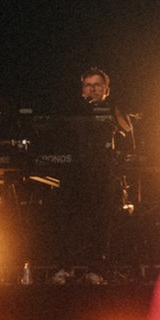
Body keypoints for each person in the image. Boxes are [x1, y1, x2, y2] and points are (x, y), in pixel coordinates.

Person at [57, 67, 136, 278]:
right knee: (70, 222)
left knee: (102, 224)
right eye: (87, 85)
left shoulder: (113, 110)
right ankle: (65, 269)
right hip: (75, 174)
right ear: (82, 90)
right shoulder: (72, 111)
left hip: (103, 175)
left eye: (96, 85)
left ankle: (96, 270)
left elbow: (129, 138)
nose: (91, 89)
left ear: (106, 90)